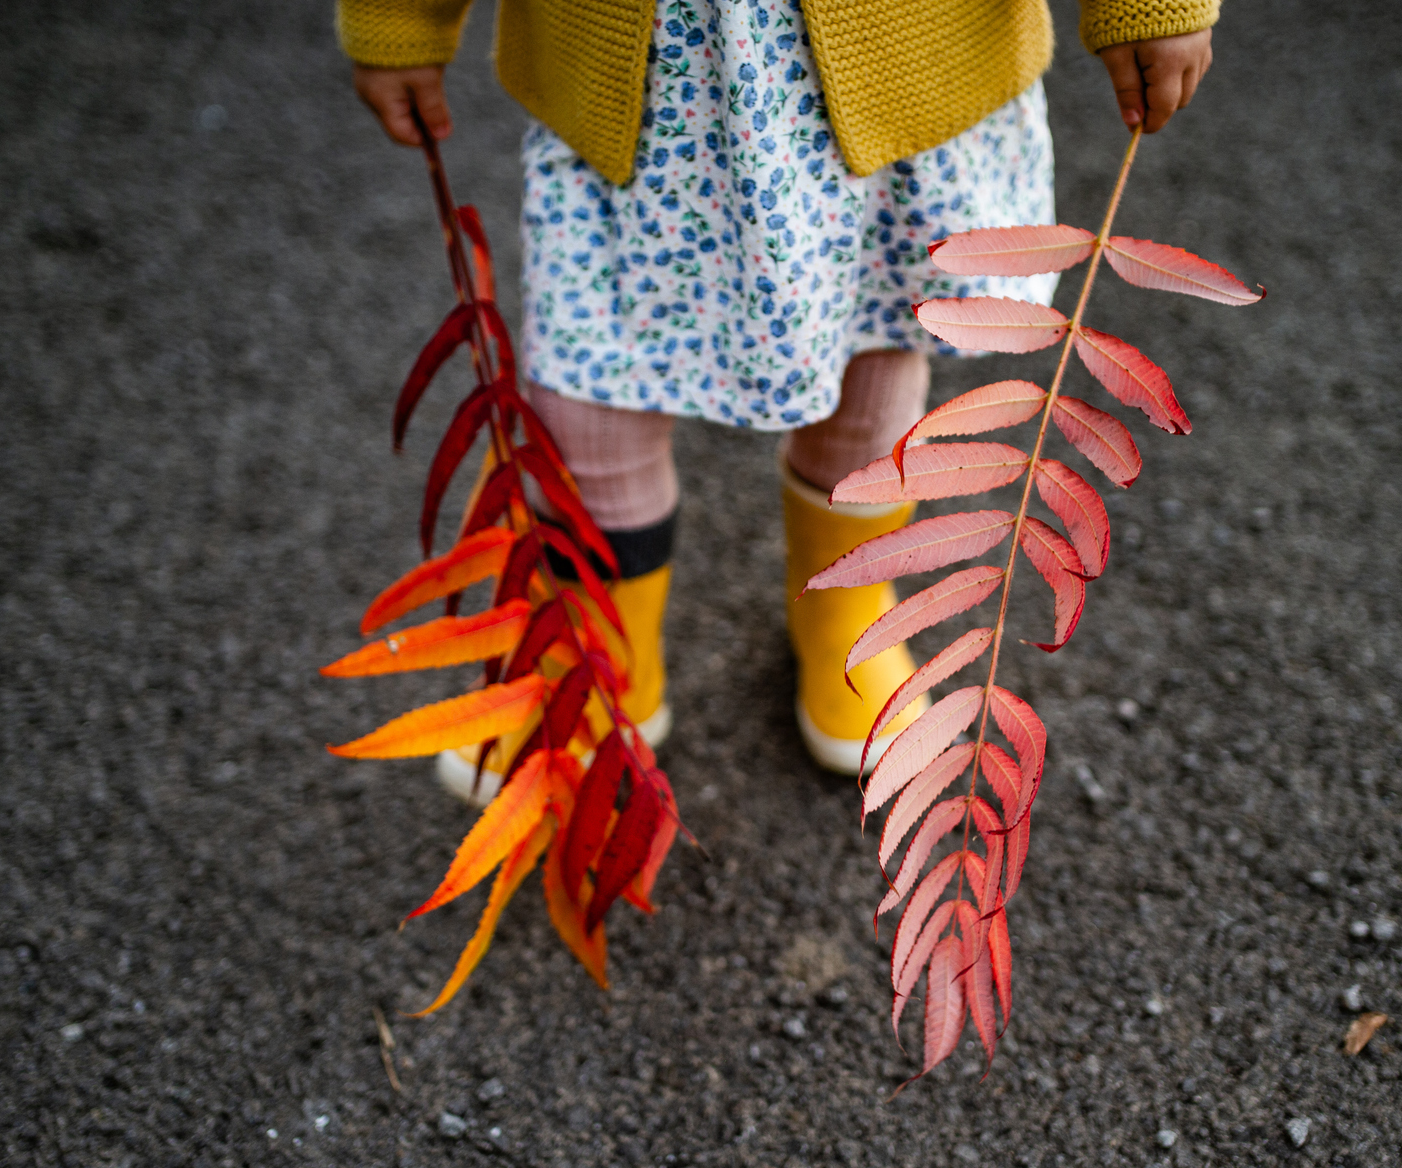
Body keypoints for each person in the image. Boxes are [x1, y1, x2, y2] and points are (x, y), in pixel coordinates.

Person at [338, 0, 1216, 800]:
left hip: (906, 61)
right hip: (642, 84)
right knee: (589, 386)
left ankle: (844, 611)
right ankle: (599, 656)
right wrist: (399, 22)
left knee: (879, 340)